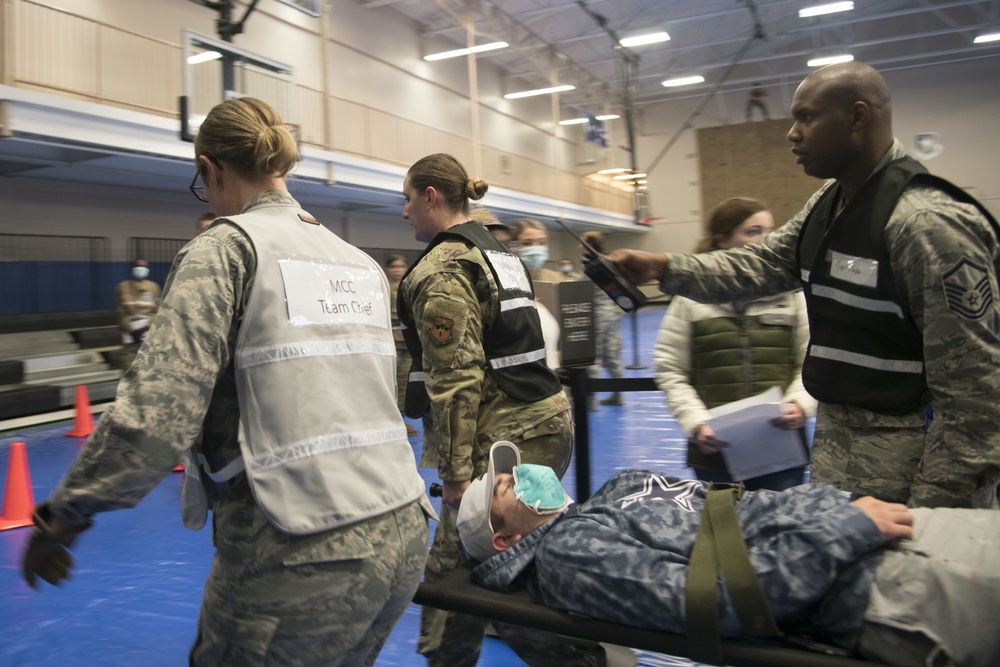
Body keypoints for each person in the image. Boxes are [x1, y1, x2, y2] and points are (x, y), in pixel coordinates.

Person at [21, 97, 433, 667]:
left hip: (302, 545)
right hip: (403, 531)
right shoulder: (357, 263)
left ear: (211, 169)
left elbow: (155, 419)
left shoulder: (226, 250)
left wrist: (65, 512)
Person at [607, 61, 1000, 508]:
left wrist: (931, 511)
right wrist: (663, 266)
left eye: (806, 117)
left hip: (912, 485)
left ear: (857, 116)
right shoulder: (829, 206)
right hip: (843, 472)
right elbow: (760, 264)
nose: (791, 133)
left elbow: (978, 396)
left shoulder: (926, 223)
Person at [458, 442, 1000, 667]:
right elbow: (719, 600)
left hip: (868, 531)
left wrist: (845, 512)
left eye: (513, 469)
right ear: (506, 540)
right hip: (876, 580)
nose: (525, 474)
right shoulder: (569, 556)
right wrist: (847, 527)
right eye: (509, 487)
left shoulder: (613, 493)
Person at [398, 153, 574, 666]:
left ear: (431, 196)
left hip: (500, 448)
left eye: (407, 199)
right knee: (523, 559)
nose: (404, 210)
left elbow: (455, 379)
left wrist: (455, 476)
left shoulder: (444, 268)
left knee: (456, 575)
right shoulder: (498, 252)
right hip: (546, 429)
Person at [653, 197, 816, 490]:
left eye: (770, 230)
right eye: (753, 231)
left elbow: (811, 360)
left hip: (782, 449)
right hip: (716, 452)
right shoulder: (689, 299)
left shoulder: (792, 296)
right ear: (722, 239)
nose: (767, 240)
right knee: (725, 534)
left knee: (781, 532)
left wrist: (799, 404)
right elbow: (671, 370)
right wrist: (696, 423)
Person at [580, 231, 626, 408]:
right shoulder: (609, 262)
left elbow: (580, 285)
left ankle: (590, 401)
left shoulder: (592, 265)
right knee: (612, 355)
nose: (579, 246)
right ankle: (618, 394)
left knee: (594, 356)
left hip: (598, 314)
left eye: (582, 243)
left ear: (588, 246)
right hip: (611, 313)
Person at [386, 253, 418, 436]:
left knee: (405, 383)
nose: (397, 270)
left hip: (407, 342)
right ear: (387, 269)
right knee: (392, 383)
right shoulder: (383, 288)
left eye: (401, 266)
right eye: (394, 266)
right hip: (391, 342)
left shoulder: (409, 287)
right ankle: (391, 422)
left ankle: (401, 421)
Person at [114, 258, 160, 369]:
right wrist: (129, 328)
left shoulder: (153, 287)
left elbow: (158, 310)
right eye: (138, 266)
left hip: (148, 331)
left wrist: (148, 326)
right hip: (129, 331)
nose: (141, 269)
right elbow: (119, 310)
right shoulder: (122, 287)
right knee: (129, 366)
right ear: (132, 268)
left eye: (144, 267)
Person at [512, 218, 563, 283]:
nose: (536, 247)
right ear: (512, 246)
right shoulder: (503, 278)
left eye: (542, 242)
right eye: (527, 243)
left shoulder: (555, 278)